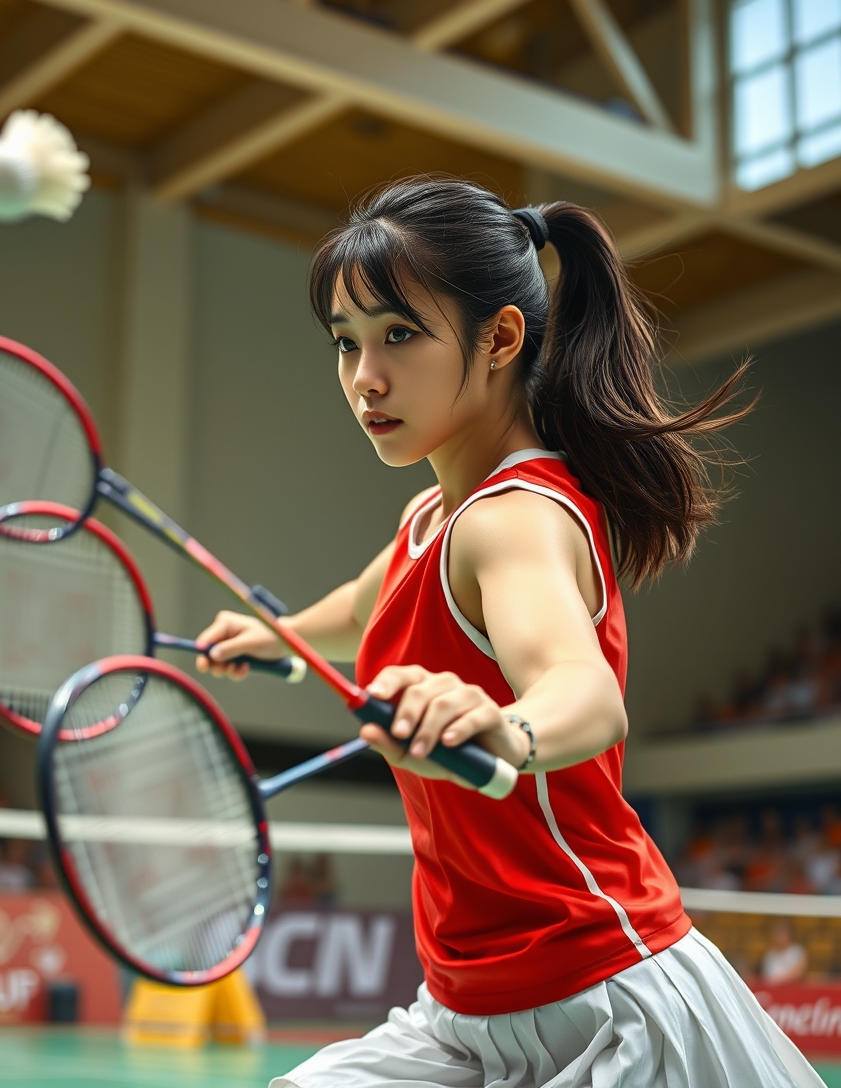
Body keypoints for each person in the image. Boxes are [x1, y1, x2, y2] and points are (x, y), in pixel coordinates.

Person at [197, 178, 823, 1087]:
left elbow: (583, 691)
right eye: (346, 343)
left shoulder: (512, 519)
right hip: (461, 1015)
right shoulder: (432, 519)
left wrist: (502, 728)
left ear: (499, 339)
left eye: (399, 335)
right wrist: (279, 638)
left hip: (607, 1003)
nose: (364, 376)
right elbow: (365, 606)